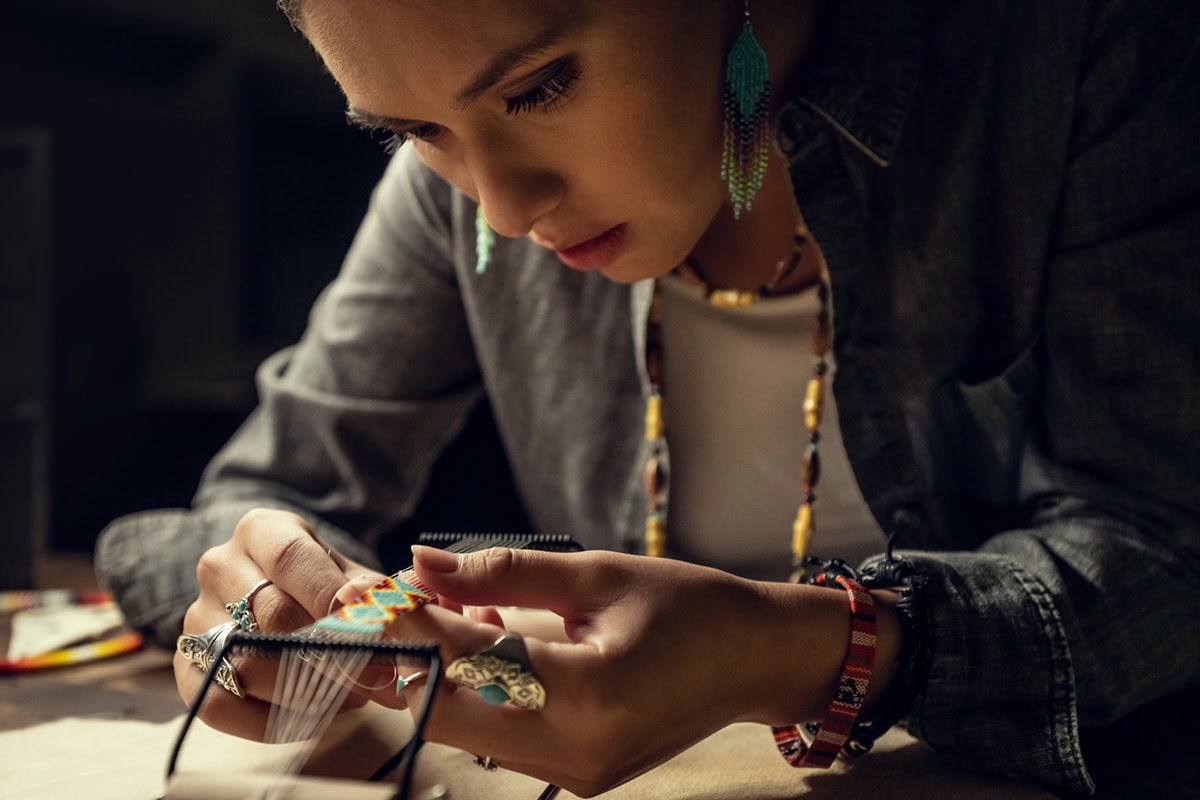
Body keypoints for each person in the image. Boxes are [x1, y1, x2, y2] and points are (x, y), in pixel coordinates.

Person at [95, 0, 1200, 797]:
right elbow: (252, 496)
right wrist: (274, 594)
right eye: (411, 130)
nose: (506, 206)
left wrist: (799, 647)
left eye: (540, 87)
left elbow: (1166, 546)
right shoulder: (451, 201)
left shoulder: (1082, 59)